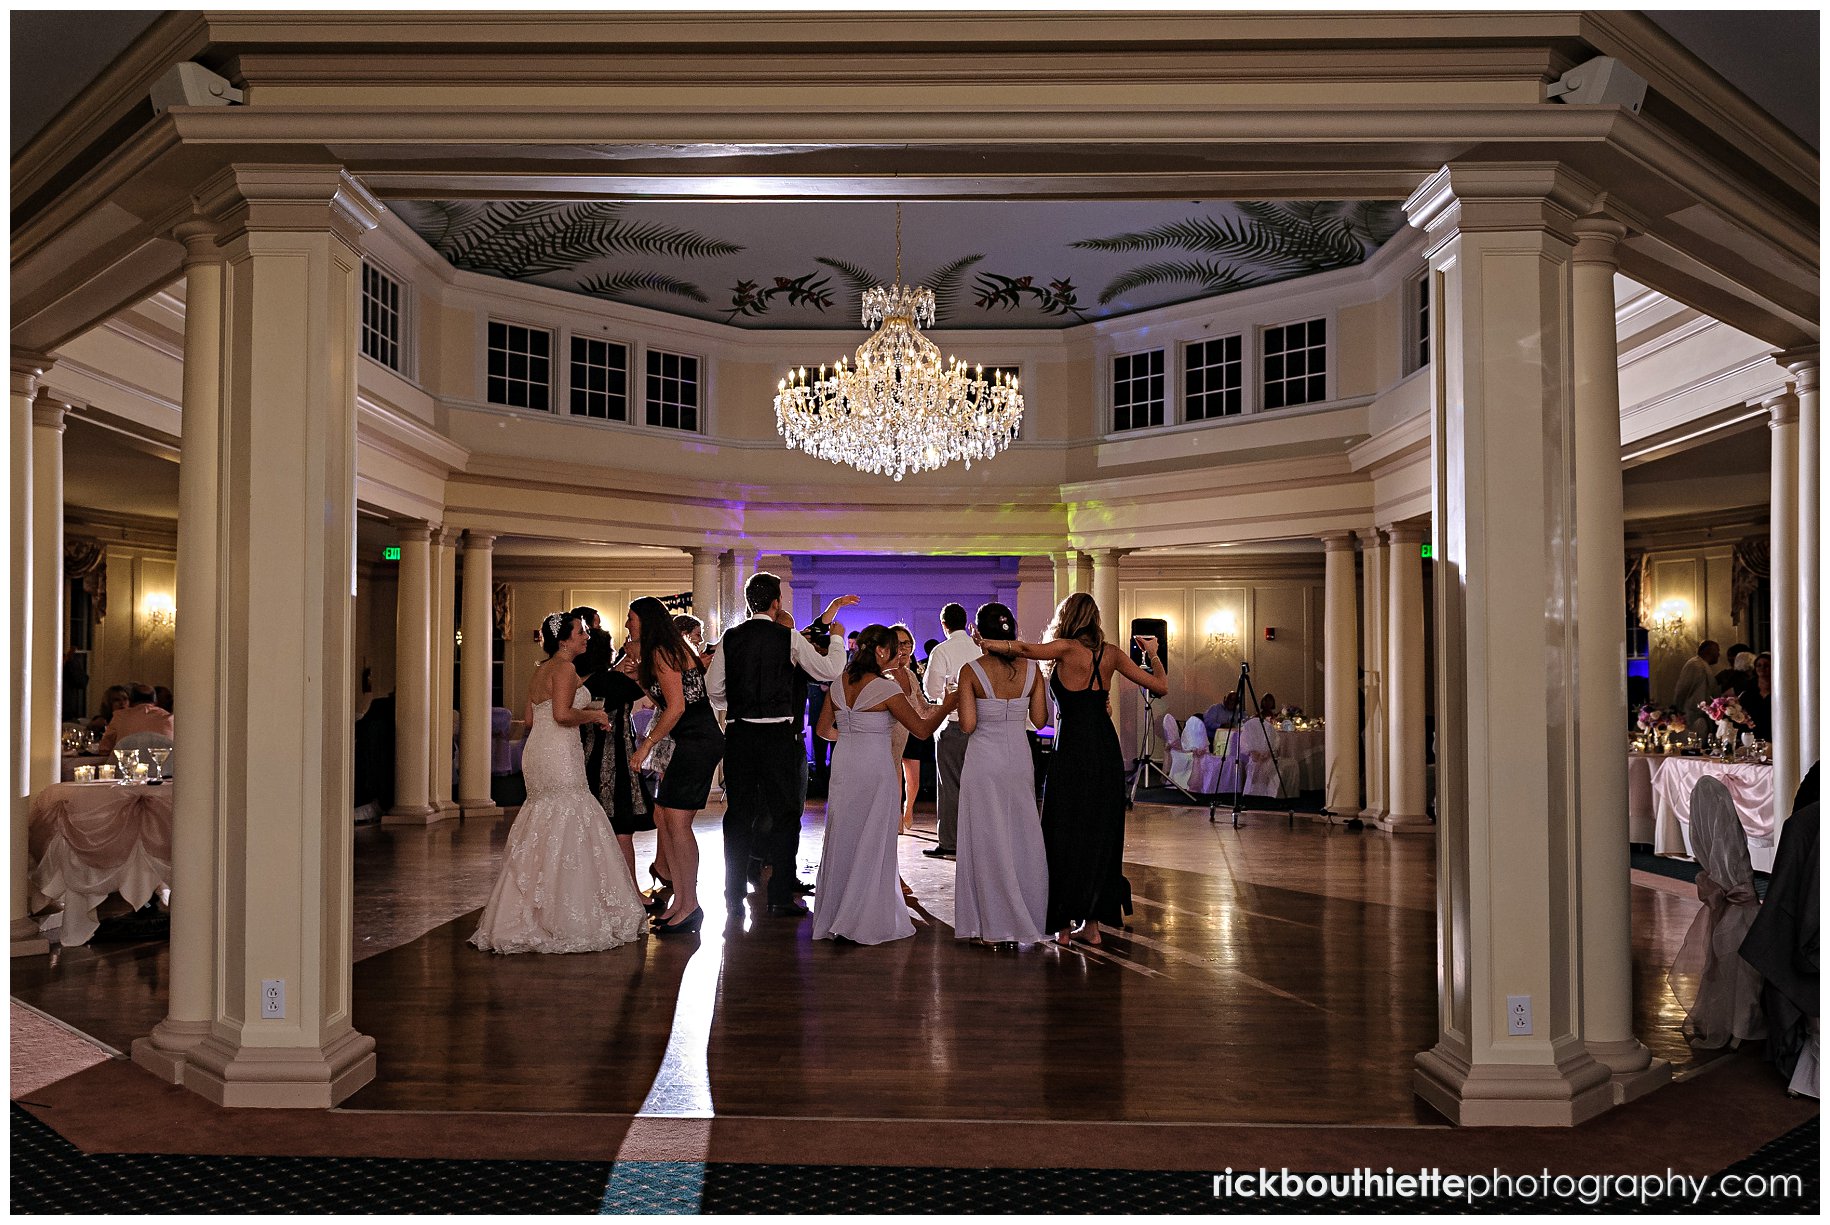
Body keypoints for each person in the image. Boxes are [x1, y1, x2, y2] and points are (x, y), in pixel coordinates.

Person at [979, 593, 1165, 946]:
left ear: (1066, 617)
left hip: (1073, 750)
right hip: (1105, 751)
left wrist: (986, 642)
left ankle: (1063, 927)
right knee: (1100, 835)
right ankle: (1092, 925)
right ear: (1093, 618)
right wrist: (1152, 653)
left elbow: (1024, 650)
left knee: (1063, 833)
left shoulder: (1064, 648)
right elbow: (1161, 686)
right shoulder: (1110, 653)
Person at [470, 610, 647, 954]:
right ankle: (565, 914)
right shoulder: (564, 669)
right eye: (580, 632)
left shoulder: (543, 669)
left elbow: (534, 716)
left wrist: (610, 676)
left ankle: (531, 906)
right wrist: (595, 714)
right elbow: (563, 714)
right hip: (559, 752)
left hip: (538, 749)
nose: (586, 637)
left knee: (544, 818)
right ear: (565, 640)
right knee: (570, 812)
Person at [705, 572, 852, 919]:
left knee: (739, 815)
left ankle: (733, 892)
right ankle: (779, 896)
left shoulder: (730, 637)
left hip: (739, 735)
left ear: (748, 603)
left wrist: (739, 700)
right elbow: (829, 670)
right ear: (776, 603)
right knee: (786, 816)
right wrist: (836, 639)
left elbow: (714, 691)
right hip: (778, 738)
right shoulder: (788, 638)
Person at [812, 623, 954, 945]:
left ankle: (837, 914)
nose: (899, 654)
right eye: (894, 648)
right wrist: (948, 705)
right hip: (875, 769)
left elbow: (823, 729)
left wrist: (851, 737)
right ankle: (864, 917)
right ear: (880, 651)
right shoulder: (886, 688)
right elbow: (920, 729)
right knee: (874, 837)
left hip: (845, 765)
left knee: (844, 834)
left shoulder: (838, 683)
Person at [953, 602, 1049, 948]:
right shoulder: (1032, 668)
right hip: (1019, 759)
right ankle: (1025, 915)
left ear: (979, 632)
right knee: (1020, 835)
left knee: (987, 837)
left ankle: (992, 925)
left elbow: (967, 724)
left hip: (984, 760)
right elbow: (1040, 720)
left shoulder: (971, 670)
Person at [627, 596, 725, 936]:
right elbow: (666, 698)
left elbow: (677, 708)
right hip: (691, 741)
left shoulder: (664, 651)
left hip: (697, 742)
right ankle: (682, 902)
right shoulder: (666, 650)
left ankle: (690, 904)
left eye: (631, 618)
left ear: (646, 621)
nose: (627, 624)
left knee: (677, 823)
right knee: (667, 818)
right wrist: (638, 677)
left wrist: (646, 745)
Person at [574, 626, 658, 897]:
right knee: (622, 829)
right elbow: (652, 697)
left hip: (583, 760)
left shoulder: (579, 682)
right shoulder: (613, 683)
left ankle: (592, 891)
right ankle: (630, 892)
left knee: (588, 831)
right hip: (616, 760)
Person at [922, 602, 982, 859]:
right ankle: (977, 841)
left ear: (944, 624)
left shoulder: (942, 651)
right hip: (982, 725)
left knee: (950, 785)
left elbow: (933, 691)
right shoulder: (980, 648)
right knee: (977, 785)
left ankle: (950, 842)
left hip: (954, 722)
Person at [887, 624, 933, 835]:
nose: (903, 648)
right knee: (895, 775)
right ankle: (895, 815)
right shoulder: (884, 676)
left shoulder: (911, 675)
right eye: (898, 644)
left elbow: (923, 707)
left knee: (913, 779)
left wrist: (950, 705)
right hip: (892, 735)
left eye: (906, 643)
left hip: (913, 730)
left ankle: (908, 808)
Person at [97, 684, 174, 754]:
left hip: (128, 766)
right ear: (156, 701)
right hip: (164, 767)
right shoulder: (170, 718)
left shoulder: (120, 716)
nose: (122, 703)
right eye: (117, 700)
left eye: (125, 699)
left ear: (131, 701)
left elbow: (104, 749)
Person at [1671, 640, 1720, 742]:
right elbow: (1683, 689)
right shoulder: (1694, 665)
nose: (1719, 654)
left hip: (1703, 715)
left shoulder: (1704, 665)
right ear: (1707, 651)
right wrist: (1677, 710)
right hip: (1693, 716)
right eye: (1717, 651)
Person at [1742, 651, 1774, 744]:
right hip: (1752, 736)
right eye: (1759, 665)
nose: (1762, 668)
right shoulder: (1749, 688)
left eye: (1766, 665)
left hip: (1772, 735)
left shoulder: (1779, 688)